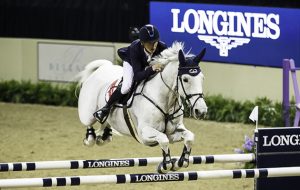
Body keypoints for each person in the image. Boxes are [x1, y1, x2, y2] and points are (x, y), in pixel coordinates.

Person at [93, 24, 168, 123]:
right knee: (126, 87)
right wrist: (152, 69)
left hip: (147, 64)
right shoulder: (135, 48)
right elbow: (137, 76)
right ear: (142, 43)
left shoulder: (162, 47)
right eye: (149, 43)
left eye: (155, 42)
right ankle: (106, 108)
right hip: (131, 62)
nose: (153, 46)